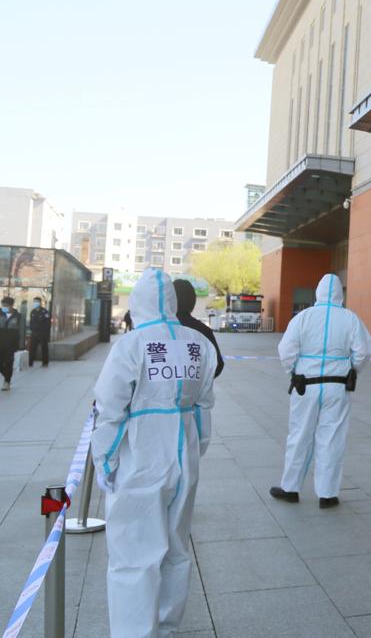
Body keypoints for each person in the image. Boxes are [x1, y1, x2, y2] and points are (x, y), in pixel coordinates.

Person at [90, 269, 217, 637]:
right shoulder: (197, 343)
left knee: (133, 553)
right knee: (177, 547)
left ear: (137, 303)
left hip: (141, 457)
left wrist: (106, 460)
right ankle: (165, 627)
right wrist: (197, 450)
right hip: (185, 455)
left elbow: (110, 409)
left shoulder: (131, 345)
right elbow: (205, 405)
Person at [271, 273, 371, 508]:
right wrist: (353, 369)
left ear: (318, 293)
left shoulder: (303, 317)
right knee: (332, 437)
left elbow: (286, 349)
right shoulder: (350, 319)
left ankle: (290, 488)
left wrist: (292, 372)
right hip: (337, 385)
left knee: (299, 435)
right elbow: (364, 351)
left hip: (305, 384)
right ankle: (327, 494)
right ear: (340, 293)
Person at [173, 279, 225, 378]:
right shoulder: (203, 330)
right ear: (192, 301)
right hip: (195, 391)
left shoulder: (156, 330)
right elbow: (217, 365)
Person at [0, 297, 20, 391]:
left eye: (6, 305)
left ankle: (7, 381)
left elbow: (21, 331)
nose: (3, 307)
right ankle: (5, 375)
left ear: (11, 306)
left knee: (8, 363)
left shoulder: (18, 316)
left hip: (11, 345)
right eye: (2, 305)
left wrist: (20, 345)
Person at [29, 296, 51, 368]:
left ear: (40, 303)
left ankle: (45, 362)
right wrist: (32, 330)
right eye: (34, 302)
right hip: (34, 333)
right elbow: (31, 322)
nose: (35, 303)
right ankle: (30, 362)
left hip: (42, 333)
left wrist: (46, 334)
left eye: (37, 302)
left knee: (44, 348)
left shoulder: (45, 312)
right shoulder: (33, 312)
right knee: (32, 348)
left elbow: (48, 324)